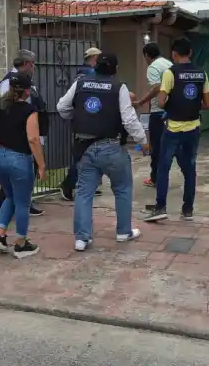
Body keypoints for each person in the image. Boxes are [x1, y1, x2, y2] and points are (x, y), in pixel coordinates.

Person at [57, 52, 148, 251]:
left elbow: (62, 107)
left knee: (83, 192)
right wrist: (143, 140)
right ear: (115, 69)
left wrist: (77, 115)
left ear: (95, 65)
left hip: (85, 147)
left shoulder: (80, 83)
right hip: (112, 147)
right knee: (122, 188)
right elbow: (129, 119)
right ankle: (123, 232)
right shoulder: (119, 87)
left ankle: (82, 238)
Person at [0, 72, 45, 259]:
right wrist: (42, 165)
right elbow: (33, 139)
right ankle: (20, 244)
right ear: (27, 91)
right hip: (19, 160)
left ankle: (0, 235)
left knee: (9, 196)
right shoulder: (29, 110)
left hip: (0, 158)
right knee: (22, 202)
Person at [145, 38, 209, 223]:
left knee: (163, 169)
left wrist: (174, 102)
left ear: (174, 54)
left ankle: (160, 208)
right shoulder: (202, 73)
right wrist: (190, 103)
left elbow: (161, 102)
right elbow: (207, 104)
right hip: (193, 128)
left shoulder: (170, 73)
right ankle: (187, 210)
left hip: (173, 128)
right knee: (189, 169)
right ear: (190, 53)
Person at [0, 50, 47, 220]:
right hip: (18, 135)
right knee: (15, 174)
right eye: (32, 64)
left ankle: (25, 202)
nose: (34, 67)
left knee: (27, 173)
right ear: (24, 64)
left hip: (29, 131)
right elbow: (6, 109)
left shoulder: (26, 82)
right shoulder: (9, 82)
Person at [59, 47, 104, 200]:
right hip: (89, 121)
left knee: (87, 157)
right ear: (95, 58)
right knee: (83, 158)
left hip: (82, 120)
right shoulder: (89, 75)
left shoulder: (80, 74)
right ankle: (68, 184)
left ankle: (87, 185)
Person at [132, 42, 173, 187]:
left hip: (158, 111)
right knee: (167, 146)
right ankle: (162, 176)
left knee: (156, 146)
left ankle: (155, 178)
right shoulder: (168, 63)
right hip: (171, 110)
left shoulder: (153, 67)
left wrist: (142, 101)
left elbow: (156, 87)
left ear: (147, 56)